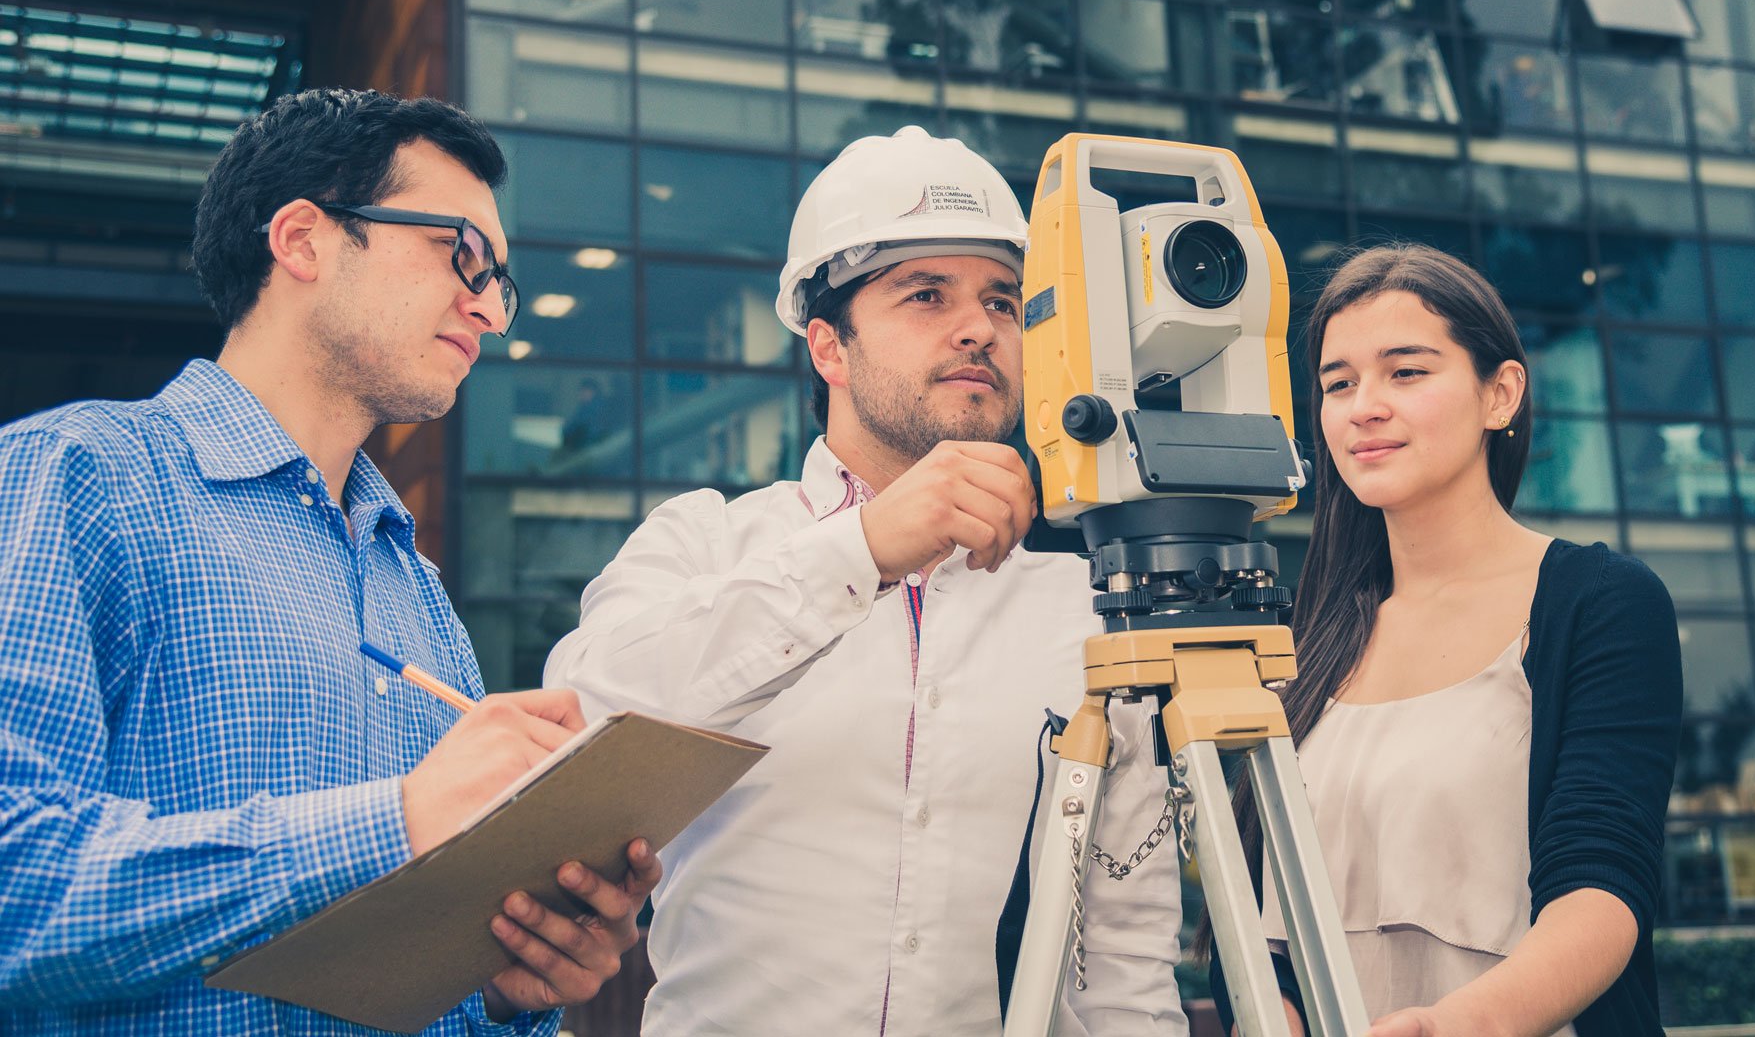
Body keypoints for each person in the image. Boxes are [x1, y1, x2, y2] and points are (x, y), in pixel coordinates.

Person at [0, 90, 658, 1035]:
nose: (487, 304)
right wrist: (392, 823)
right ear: (304, 240)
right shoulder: (79, 476)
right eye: (461, 251)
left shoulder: (413, 585)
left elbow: (425, 970)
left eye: (499, 282)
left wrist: (506, 986)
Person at [545, 125, 1187, 1036]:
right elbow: (576, 731)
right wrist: (862, 550)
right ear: (828, 347)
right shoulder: (704, 544)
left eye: (1003, 302)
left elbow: (1122, 958)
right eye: (925, 294)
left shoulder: (1082, 607)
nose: (980, 326)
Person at [1213, 243, 1681, 1037]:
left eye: (1407, 371)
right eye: (1338, 383)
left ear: (1500, 393)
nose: (1364, 405)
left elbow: (1602, 888)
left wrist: (1454, 1027)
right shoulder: (1314, 635)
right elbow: (1257, 919)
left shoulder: (1598, 603)